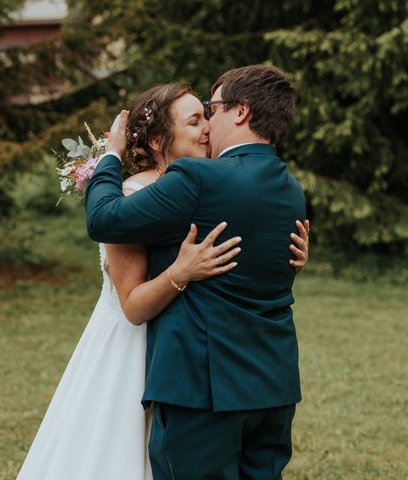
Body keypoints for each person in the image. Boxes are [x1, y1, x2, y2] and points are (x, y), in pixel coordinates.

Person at [18, 79, 309, 479]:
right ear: (158, 140)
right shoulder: (289, 187)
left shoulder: (200, 180)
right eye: (196, 118)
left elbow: (104, 218)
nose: (208, 122)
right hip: (268, 385)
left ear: (241, 112)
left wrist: (110, 157)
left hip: (201, 386)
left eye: (213, 109)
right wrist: (181, 272)